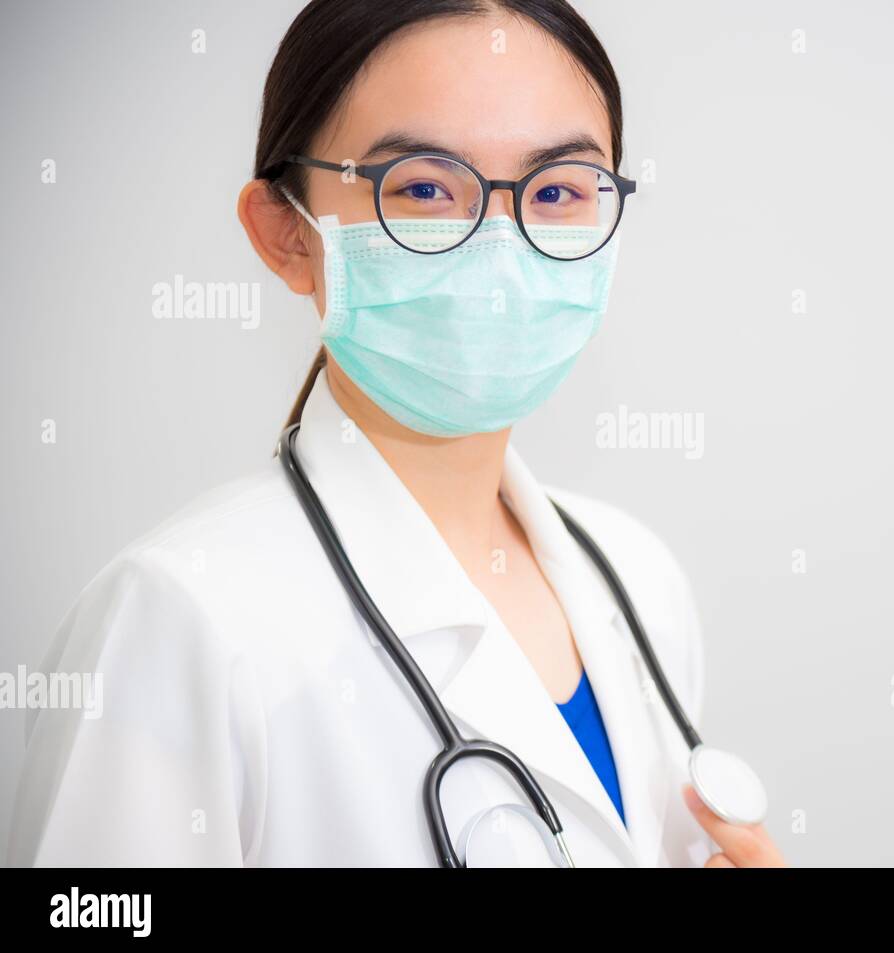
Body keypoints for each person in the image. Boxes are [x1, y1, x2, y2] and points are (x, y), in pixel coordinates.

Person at [7, 0, 785, 868]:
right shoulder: (175, 618)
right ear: (286, 233)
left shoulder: (640, 578)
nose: (500, 246)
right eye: (422, 187)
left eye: (559, 191)